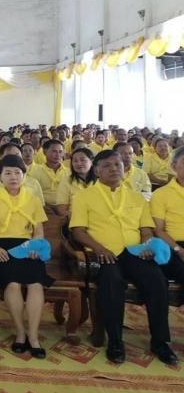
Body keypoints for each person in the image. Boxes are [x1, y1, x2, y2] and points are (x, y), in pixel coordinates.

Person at [71, 150, 177, 365]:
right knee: (112, 282)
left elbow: (146, 229)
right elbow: (78, 231)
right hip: (105, 253)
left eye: (117, 165)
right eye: (107, 165)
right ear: (97, 170)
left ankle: (160, 341)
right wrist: (98, 248)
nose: (114, 169)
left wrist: (146, 244)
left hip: (134, 252)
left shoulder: (136, 197)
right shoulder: (84, 196)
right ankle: (115, 341)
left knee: (157, 280)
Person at [0, 154, 51, 358]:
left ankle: (33, 337)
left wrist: (34, 246)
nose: (13, 177)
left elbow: (39, 231)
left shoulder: (33, 200)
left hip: (28, 248)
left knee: (35, 284)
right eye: (8, 173)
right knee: (13, 284)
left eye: (17, 173)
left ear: (24, 176)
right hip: (2, 248)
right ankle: (20, 333)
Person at [150, 146, 184, 285]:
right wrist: (179, 250)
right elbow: (158, 230)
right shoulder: (161, 194)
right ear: (174, 167)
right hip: (173, 245)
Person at [55, 147, 96, 216]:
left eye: (82, 160)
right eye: (75, 161)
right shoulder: (67, 180)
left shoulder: (102, 180)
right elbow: (61, 208)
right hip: (75, 218)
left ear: (92, 161)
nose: (79, 163)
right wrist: (77, 218)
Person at [32, 140, 69, 213]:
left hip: (65, 208)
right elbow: (32, 195)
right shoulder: (35, 171)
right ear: (44, 152)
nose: (58, 154)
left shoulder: (69, 172)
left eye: (60, 152)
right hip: (44, 208)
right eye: (54, 151)